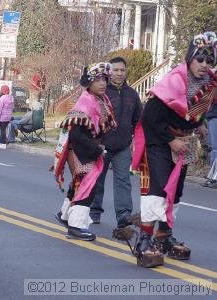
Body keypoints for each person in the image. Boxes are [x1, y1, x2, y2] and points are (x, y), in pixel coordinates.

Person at [131, 32, 216, 268]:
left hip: (184, 142)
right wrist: (171, 141)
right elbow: (149, 118)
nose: (204, 65)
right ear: (189, 57)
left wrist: (199, 125)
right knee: (157, 191)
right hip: (158, 141)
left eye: (210, 61)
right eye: (200, 59)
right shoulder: (174, 80)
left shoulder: (209, 84)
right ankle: (144, 240)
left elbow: (192, 112)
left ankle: (164, 236)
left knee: (175, 192)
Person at [53, 62, 116, 241]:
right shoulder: (85, 103)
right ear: (89, 83)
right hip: (81, 150)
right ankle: (76, 226)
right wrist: (95, 151)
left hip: (89, 148)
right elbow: (76, 134)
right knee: (87, 186)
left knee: (80, 184)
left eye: (104, 79)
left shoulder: (101, 100)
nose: (102, 83)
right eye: (97, 80)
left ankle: (65, 215)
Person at [89, 57, 142, 226]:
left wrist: (134, 139)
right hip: (101, 146)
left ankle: (123, 216)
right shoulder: (101, 92)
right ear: (109, 72)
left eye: (122, 70)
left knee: (123, 182)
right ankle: (94, 211)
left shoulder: (132, 95)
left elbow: (138, 120)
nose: (119, 73)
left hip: (123, 147)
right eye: (116, 70)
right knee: (97, 180)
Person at [202, 101, 217, 187]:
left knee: (215, 148)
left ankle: (213, 178)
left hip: (214, 116)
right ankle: (211, 176)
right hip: (211, 117)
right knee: (213, 148)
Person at [0, 85, 14, 149]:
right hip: (8, 117)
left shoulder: (2, 98)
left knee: (2, 131)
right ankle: (1, 142)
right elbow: (12, 108)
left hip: (2, 117)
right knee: (4, 130)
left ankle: (2, 144)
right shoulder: (11, 97)